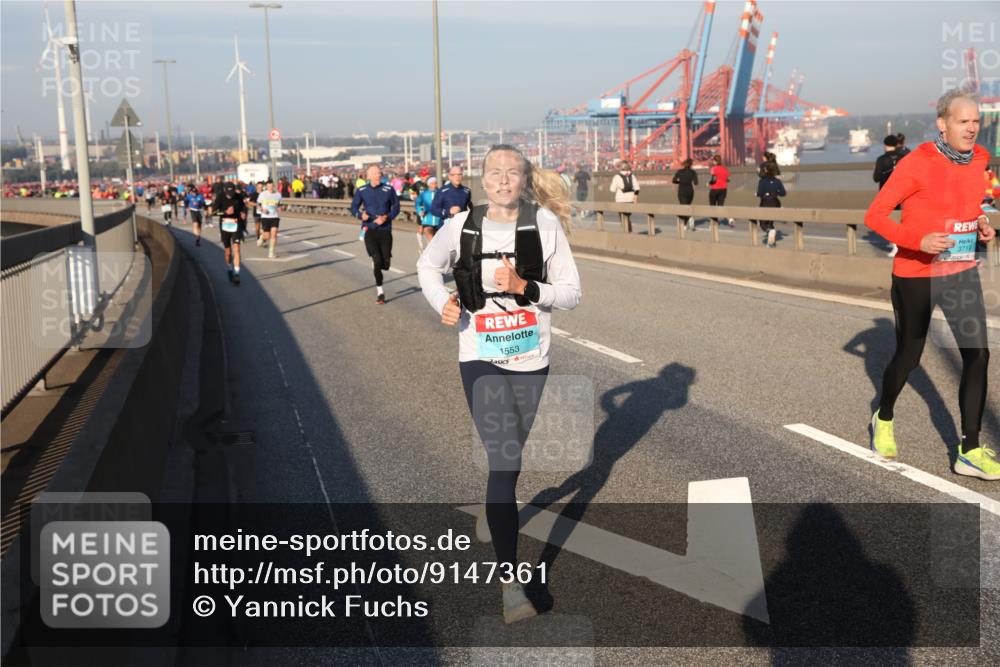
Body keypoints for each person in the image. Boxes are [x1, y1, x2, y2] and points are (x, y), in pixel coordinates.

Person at [416, 144, 581, 624]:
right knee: (505, 460)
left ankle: (495, 505)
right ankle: (511, 584)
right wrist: (440, 301)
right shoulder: (460, 226)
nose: (503, 180)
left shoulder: (544, 226)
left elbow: (572, 294)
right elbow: (428, 266)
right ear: (482, 180)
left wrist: (525, 289)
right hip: (480, 357)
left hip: (531, 359)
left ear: (525, 180)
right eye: (494, 173)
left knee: (510, 461)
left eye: (512, 173)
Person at [865, 88, 997, 479]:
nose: (971, 128)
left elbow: (970, 204)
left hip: (960, 271)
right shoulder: (916, 163)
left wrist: (980, 224)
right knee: (909, 355)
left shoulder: (981, 159)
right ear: (943, 124)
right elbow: (876, 216)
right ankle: (884, 416)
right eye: (963, 121)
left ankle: (969, 449)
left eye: (976, 121)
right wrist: (917, 241)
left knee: (978, 354)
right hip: (916, 275)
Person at [350, 165, 400, 304]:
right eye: (376, 173)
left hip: (385, 230)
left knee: (385, 264)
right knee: (377, 261)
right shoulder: (362, 190)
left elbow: (396, 207)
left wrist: (386, 217)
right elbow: (353, 207)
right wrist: (361, 215)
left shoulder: (388, 189)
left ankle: (384, 260)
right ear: (369, 176)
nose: (379, 175)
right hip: (369, 229)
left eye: (379, 173)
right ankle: (380, 292)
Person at [213, 181, 248, 285]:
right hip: (225, 226)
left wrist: (243, 213)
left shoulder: (239, 196)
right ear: (224, 191)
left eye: (232, 193)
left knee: (237, 249)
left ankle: (237, 274)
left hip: (236, 225)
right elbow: (214, 212)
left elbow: (244, 208)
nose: (230, 195)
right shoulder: (220, 197)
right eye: (229, 194)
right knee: (228, 253)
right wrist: (225, 212)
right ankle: (229, 268)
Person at [874, 135, 903, 257]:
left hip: (887, 195)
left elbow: (876, 178)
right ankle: (903, 245)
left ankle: (895, 245)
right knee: (903, 220)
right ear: (897, 144)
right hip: (904, 194)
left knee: (889, 222)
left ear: (885, 145)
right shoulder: (905, 157)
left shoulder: (882, 159)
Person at [756, 163, 786, 247]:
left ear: (766, 171)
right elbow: (783, 194)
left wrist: (758, 194)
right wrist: (775, 192)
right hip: (775, 203)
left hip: (765, 203)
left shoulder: (762, 181)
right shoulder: (778, 181)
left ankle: (770, 232)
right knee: (770, 222)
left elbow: (760, 193)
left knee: (762, 223)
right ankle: (771, 242)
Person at [609, 161, 639, 230]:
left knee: (623, 218)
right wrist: (635, 198)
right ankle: (628, 232)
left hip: (620, 200)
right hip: (630, 199)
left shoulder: (617, 176)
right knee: (627, 217)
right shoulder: (632, 175)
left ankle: (627, 233)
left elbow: (612, 190)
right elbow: (637, 188)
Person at [256, 180, 283, 258]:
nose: (270, 188)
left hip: (275, 217)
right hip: (265, 217)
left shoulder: (278, 195)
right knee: (267, 236)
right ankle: (262, 237)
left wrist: (280, 208)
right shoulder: (263, 194)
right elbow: (258, 204)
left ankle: (271, 253)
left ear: (273, 186)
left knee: (274, 235)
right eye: (268, 186)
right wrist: (262, 209)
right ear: (266, 187)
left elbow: (280, 205)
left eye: (271, 186)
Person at [414, 176, 442, 251]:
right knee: (432, 240)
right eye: (432, 183)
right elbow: (417, 203)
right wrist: (420, 211)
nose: (434, 185)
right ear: (429, 184)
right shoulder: (424, 194)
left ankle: (428, 252)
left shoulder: (440, 193)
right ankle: (427, 251)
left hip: (438, 220)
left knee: (436, 242)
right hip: (427, 220)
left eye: (435, 183)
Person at [672, 158, 698, 231]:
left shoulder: (680, 172)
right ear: (691, 164)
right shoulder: (693, 172)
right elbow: (696, 183)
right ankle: (685, 225)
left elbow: (674, 180)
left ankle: (688, 219)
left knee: (683, 208)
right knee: (687, 207)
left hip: (682, 191)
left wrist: (680, 182)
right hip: (690, 191)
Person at [708, 155, 731, 225]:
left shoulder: (713, 169)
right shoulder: (725, 169)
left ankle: (715, 221)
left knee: (712, 206)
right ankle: (729, 218)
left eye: (713, 161)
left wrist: (708, 183)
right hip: (723, 189)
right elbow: (728, 179)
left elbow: (713, 179)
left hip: (714, 189)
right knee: (721, 206)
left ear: (715, 161)